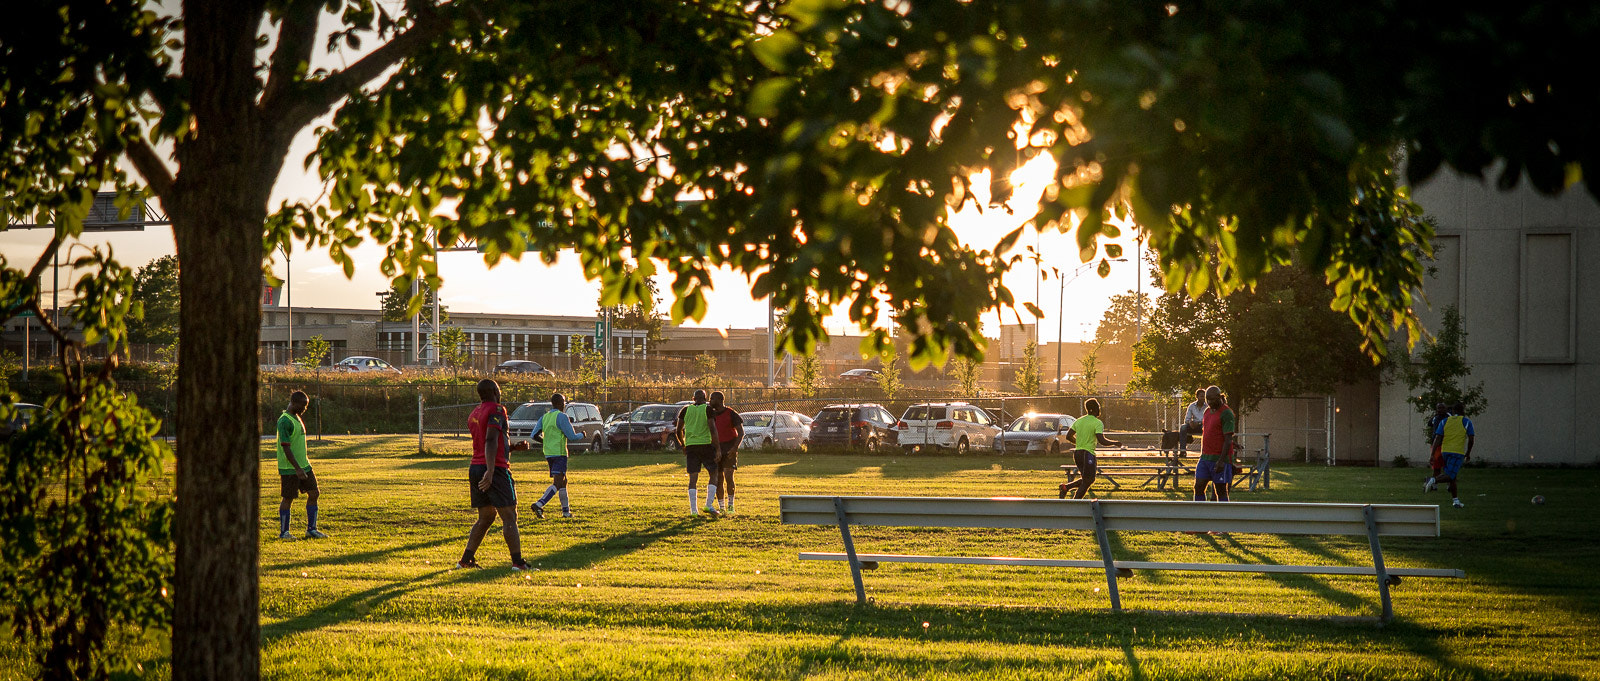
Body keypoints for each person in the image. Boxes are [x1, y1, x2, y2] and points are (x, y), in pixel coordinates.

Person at [458, 379, 532, 570]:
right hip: (494, 469)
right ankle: (518, 562)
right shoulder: (497, 410)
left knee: (486, 517)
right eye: (499, 389)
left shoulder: (474, 413)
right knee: (509, 516)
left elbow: (488, 442)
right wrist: (490, 472)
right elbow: (490, 440)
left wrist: (513, 447)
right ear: (493, 391)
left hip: (475, 467)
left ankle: (466, 560)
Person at [275, 390, 327, 539]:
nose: (305, 409)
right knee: (288, 498)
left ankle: (311, 529)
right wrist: (297, 468)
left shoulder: (296, 417)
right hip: (290, 468)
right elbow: (285, 447)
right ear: (294, 403)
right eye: (303, 406)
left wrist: (302, 466)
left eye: (306, 406)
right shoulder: (284, 421)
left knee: (314, 493)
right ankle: (284, 533)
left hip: (304, 465)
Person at [529, 393, 586, 519]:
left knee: (563, 482)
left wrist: (546, 441)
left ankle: (566, 512)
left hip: (548, 453)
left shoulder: (545, 417)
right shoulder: (562, 417)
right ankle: (539, 504)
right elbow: (572, 437)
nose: (564, 404)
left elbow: (533, 435)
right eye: (564, 402)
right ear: (561, 403)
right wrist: (582, 434)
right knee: (558, 482)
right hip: (559, 453)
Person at [1059, 398, 1120, 499]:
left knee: (1086, 479)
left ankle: (1066, 487)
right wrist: (1115, 443)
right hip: (1087, 454)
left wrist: (1078, 443)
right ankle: (1075, 503)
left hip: (1078, 453)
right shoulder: (1097, 422)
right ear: (1096, 409)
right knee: (1088, 480)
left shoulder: (1079, 421)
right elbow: (1101, 440)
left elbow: (1068, 436)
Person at [675, 390, 724, 517]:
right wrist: (718, 448)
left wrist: (683, 444)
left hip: (691, 446)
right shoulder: (708, 410)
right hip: (706, 445)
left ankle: (693, 510)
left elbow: (678, 429)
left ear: (693, 398)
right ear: (705, 398)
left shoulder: (685, 410)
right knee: (713, 473)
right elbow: (713, 429)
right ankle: (708, 504)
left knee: (693, 478)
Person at [1426, 402, 1475, 508]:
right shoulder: (1466, 422)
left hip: (1445, 451)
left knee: (1452, 477)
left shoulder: (1445, 421)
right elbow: (1471, 439)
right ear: (1462, 411)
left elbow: (1437, 438)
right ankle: (1433, 480)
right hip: (1457, 452)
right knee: (1451, 475)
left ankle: (1455, 501)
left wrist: (1432, 454)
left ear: (1452, 411)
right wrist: (1468, 452)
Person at [1194, 385, 1236, 503]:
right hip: (1205, 457)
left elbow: (1228, 439)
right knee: (1198, 487)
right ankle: (1200, 516)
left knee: (1220, 490)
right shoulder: (1207, 411)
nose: (1210, 402)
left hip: (1219, 458)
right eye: (1208, 399)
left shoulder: (1226, 413)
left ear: (1219, 397)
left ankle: (1223, 518)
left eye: (1212, 399)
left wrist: (1222, 461)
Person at [707, 391, 745, 514]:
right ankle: (721, 507)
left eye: (712, 399)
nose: (710, 401)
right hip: (714, 450)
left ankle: (730, 506)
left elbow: (741, 432)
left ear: (720, 400)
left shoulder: (731, 413)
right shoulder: (709, 414)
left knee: (729, 477)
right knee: (718, 479)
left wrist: (734, 448)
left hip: (728, 449)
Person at [1424, 402, 1448, 483]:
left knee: (1447, 466)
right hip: (1436, 445)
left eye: (1442, 408)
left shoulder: (1448, 417)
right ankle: (1434, 484)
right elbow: (1430, 424)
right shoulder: (1435, 418)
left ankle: (1449, 484)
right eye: (1438, 408)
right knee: (1436, 466)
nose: (1440, 410)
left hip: (1446, 444)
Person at [1178, 388, 1206, 453]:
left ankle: (1205, 451)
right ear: (1197, 397)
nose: (1203, 398)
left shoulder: (1207, 406)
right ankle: (1182, 451)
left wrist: (1199, 423)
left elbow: (1208, 419)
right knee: (1183, 427)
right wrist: (1190, 422)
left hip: (1203, 425)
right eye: (1201, 396)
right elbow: (1187, 419)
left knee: (1205, 427)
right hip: (1193, 425)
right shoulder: (1192, 406)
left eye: (1204, 396)